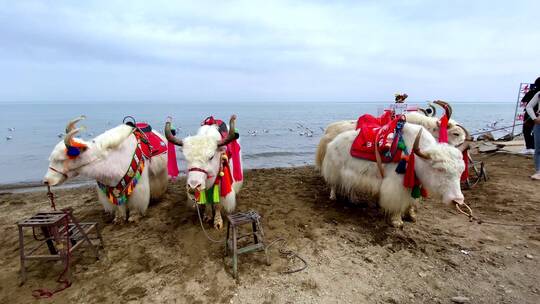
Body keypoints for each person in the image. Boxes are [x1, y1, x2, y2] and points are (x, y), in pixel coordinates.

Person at [521, 77, 540, 154]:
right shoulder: (535, 92)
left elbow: (524, 101)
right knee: (530, 131)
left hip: (532, 115)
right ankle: (532, 146)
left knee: (527, 130)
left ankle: (530, 146)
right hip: (532, 114)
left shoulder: (533, 92)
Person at [525, 86, 540, 180]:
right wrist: (534, 118)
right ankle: (539, 171)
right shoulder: (539, 94)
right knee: (538, 149)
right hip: (539, 124)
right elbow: (529, 106)